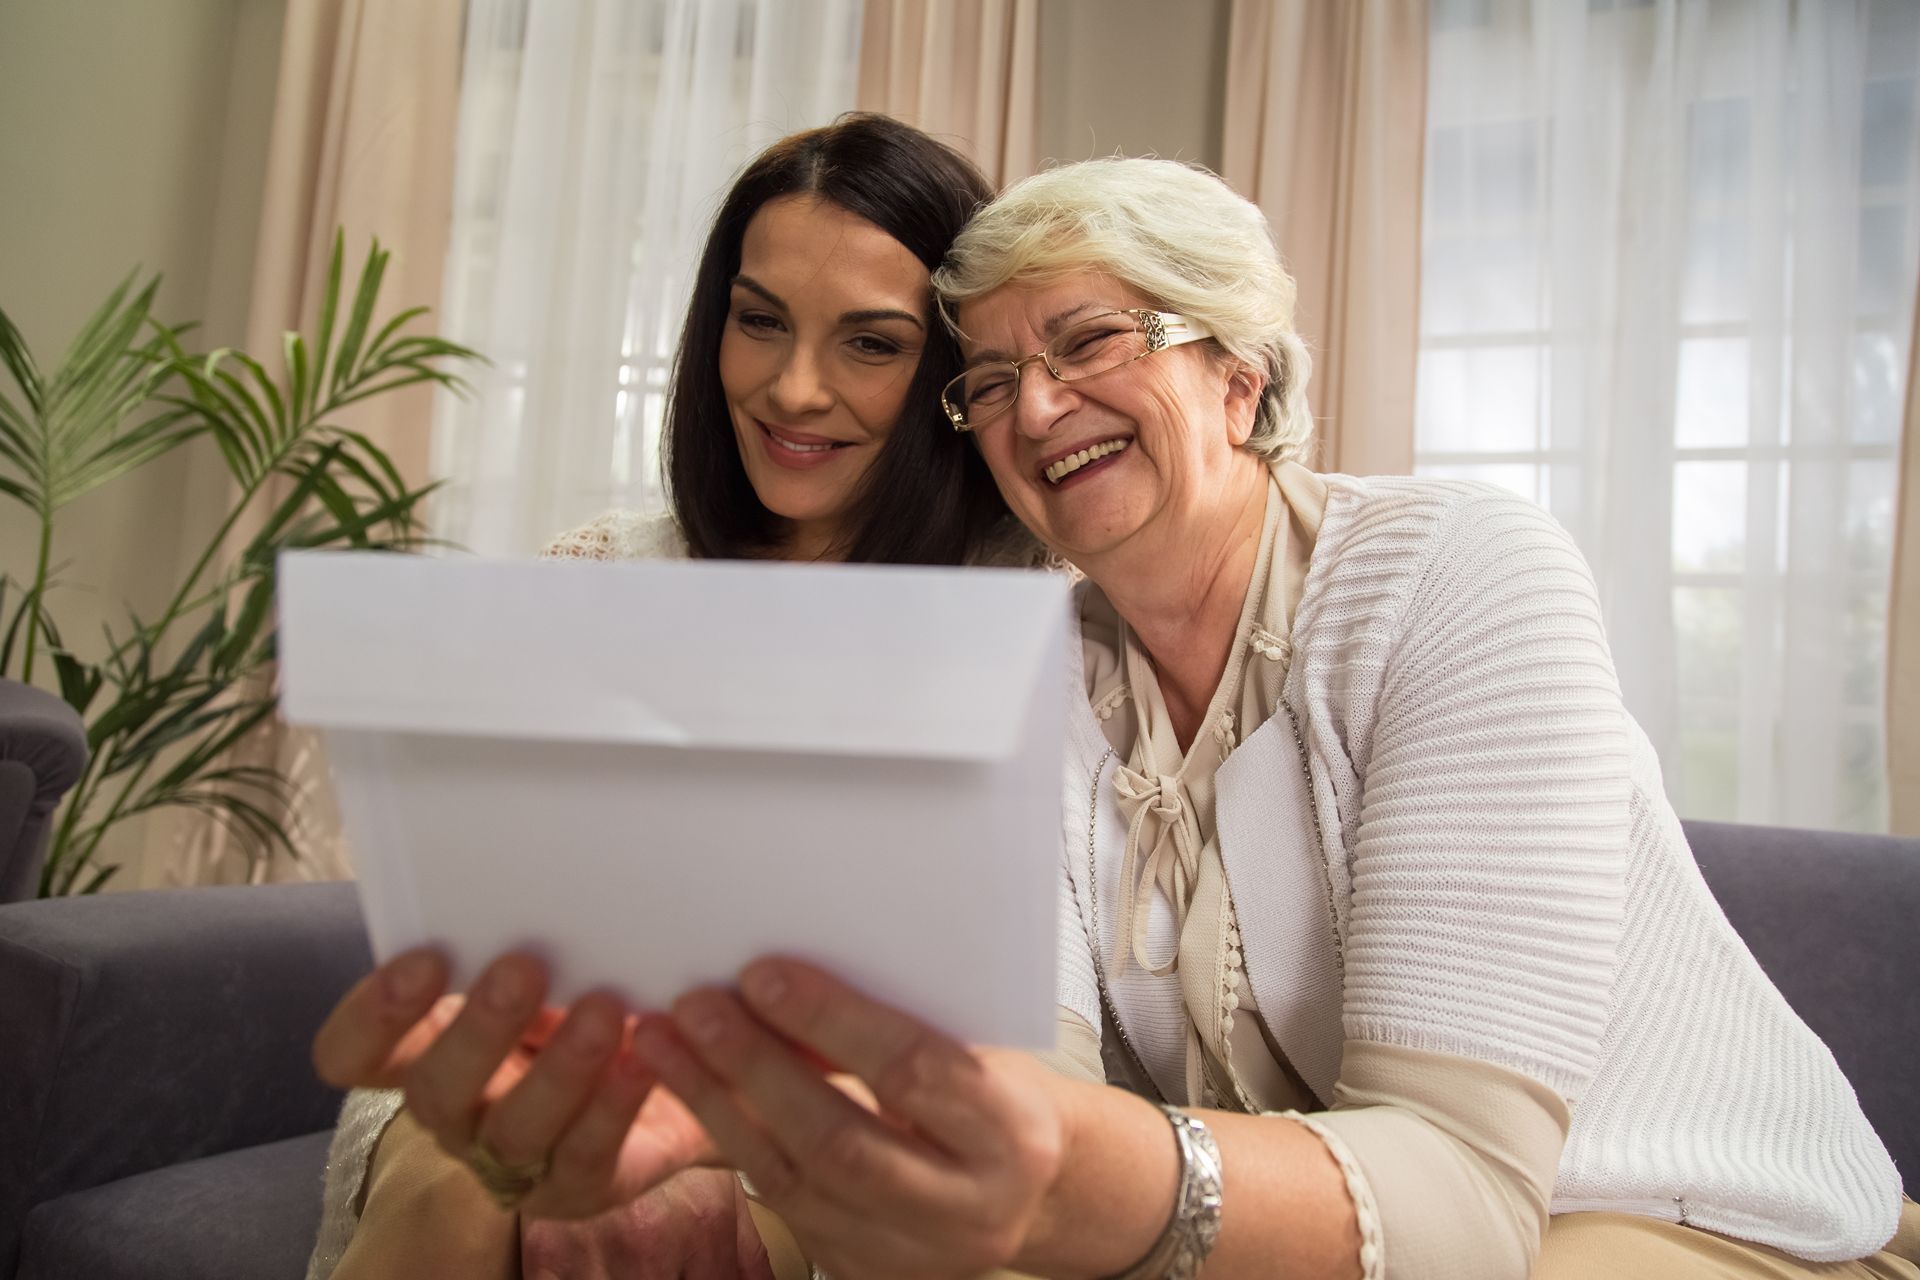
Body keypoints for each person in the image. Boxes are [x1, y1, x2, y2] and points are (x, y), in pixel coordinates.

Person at [315, 156, 1920, 1280]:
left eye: (1090, 341)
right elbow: (1028, 1081)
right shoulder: (1039, 667)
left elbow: (1466, 1209)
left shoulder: (1453, 571)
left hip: (1669, 1212)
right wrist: (785, 1141)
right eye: (990, 376)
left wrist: (1042, 1171)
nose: (1033, 407)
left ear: (1240, 375)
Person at [303, 113, 1031, 1280]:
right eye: (760, 322)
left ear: (946, 366)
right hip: (548, 1064)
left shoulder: (1019, 610)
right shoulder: (600, 569)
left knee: (641, 1218)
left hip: (837, 1121)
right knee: (453, 1198)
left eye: (870, 344)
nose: (794, 390)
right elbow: (479, 942)